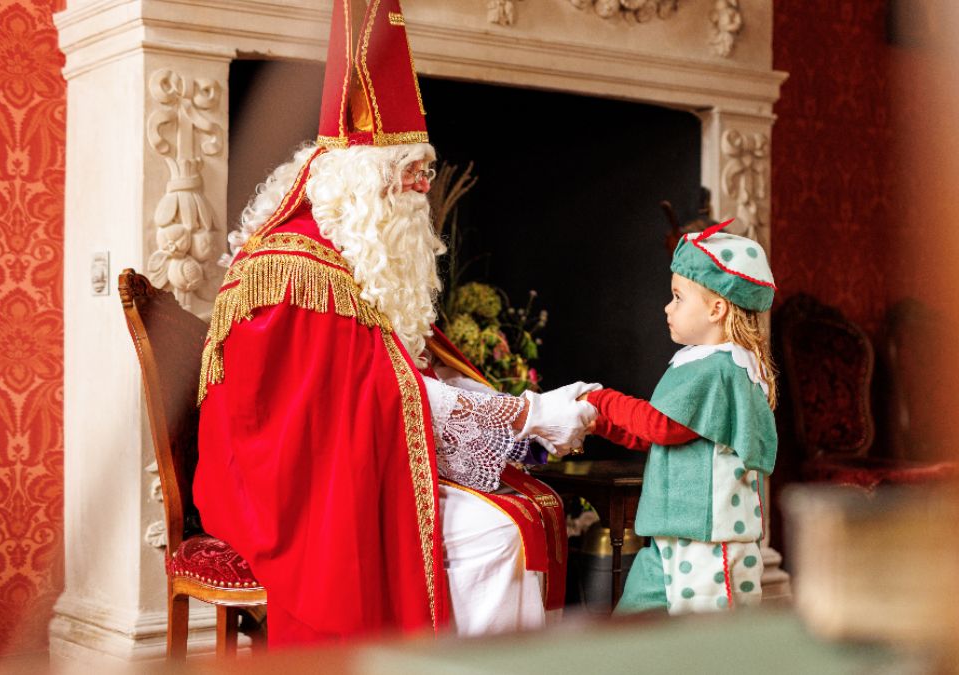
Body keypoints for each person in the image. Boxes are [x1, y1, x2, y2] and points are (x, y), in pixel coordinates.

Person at [193, 0, 593, 646]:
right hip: (286, 493)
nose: (421, 191)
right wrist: (525, 417)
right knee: (497, 534)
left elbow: (403, 384)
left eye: (423, 172)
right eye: (407, 175)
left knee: (529, 511)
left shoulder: (366, 250)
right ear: (359, 176)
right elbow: (377, 399)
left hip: (345, 465)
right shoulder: (301, 268)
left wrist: (522, 412)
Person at [581, 220, 778, 614]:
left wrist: (602, 400)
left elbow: (660, 426)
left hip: (707, 541)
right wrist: (602, 424)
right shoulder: (699, 364)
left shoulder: (722, 369)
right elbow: (662, 433)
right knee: (634, 619)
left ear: (716, 308)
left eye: (677, 297)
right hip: (676, 534)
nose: (667, 307)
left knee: (704, 643)